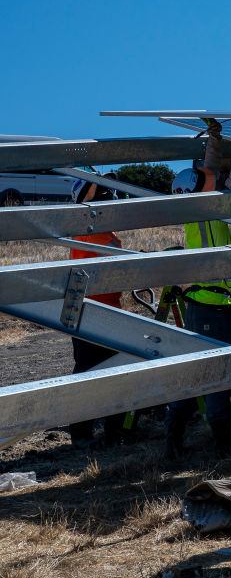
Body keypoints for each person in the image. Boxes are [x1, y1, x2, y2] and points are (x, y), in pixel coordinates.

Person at [163, 112, 231, 459]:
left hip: (202, 303)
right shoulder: (215, 208)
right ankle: (221, 445)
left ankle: (176, 439)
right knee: (213, 376)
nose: (211, 179)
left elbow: (210, 169)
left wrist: (215, 135)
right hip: (211, 307)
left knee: (195, 372)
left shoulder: (195, 206)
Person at [67, 178, 128, 447]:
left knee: (87, 372)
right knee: (114, 373)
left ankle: (84, 432)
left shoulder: (83, 228)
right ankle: (109, 433)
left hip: (86, 309)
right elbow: (119, 267)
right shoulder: (100, 232)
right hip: (100, 311)